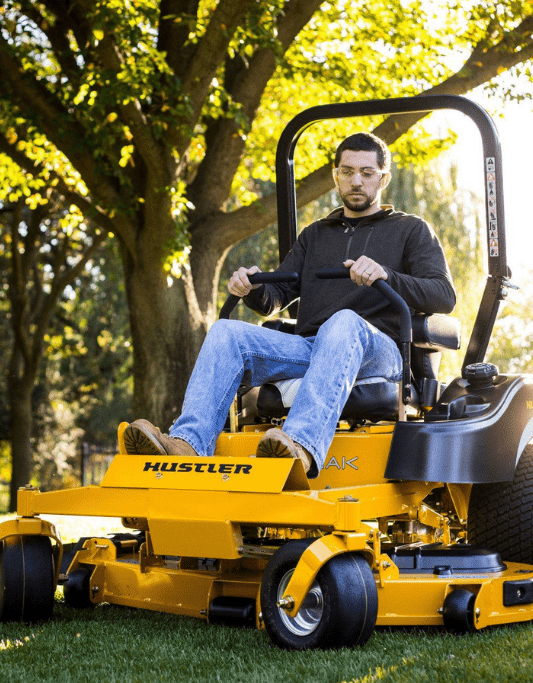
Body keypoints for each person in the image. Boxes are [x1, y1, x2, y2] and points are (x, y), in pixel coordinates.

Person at [124, 132, 456, 476]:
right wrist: (249, 287)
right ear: (335, 175)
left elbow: (443, 295)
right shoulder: (315, 234)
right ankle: (188, 443)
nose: (356, 180)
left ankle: (299, 445)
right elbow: (275, 299)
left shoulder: (410, 230)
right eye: (347, 171)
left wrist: (385, 275)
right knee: (227, 332)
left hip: (377, 351)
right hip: (312, 348)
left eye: (367, 173)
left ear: (383, 178)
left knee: (343, 322)